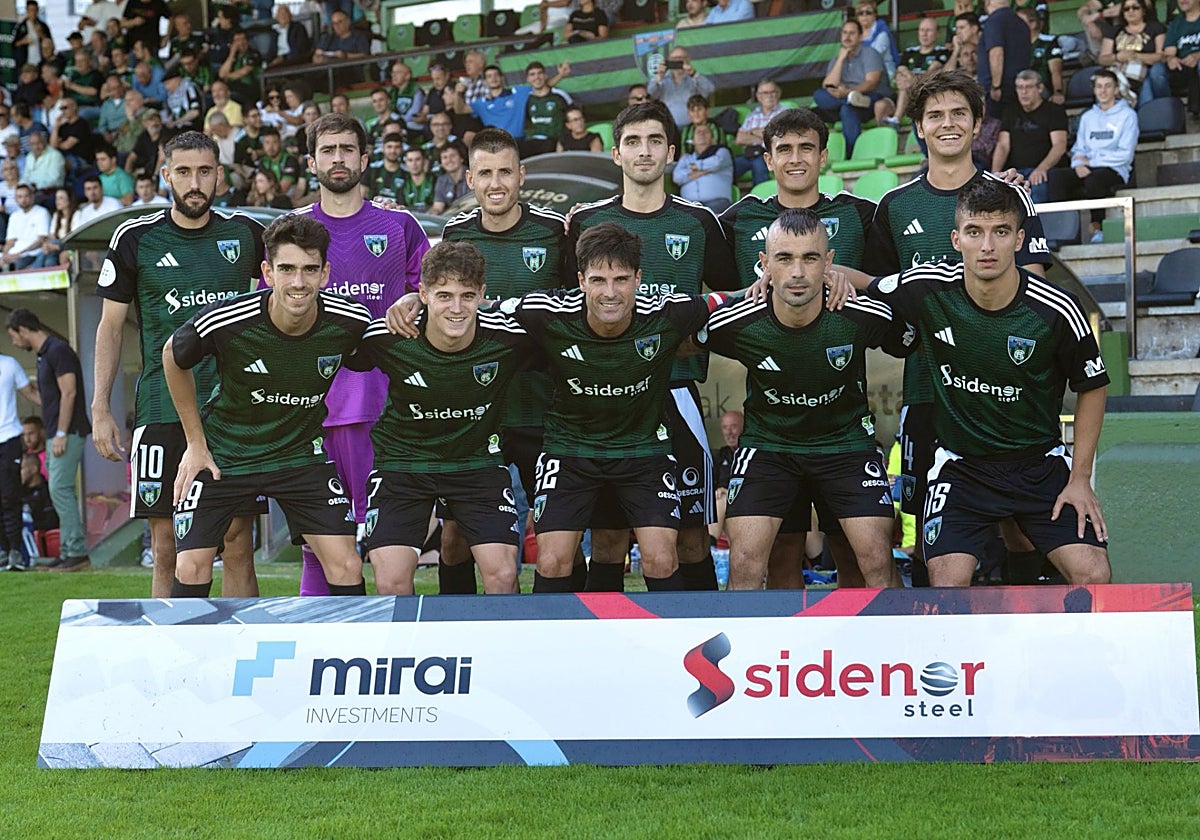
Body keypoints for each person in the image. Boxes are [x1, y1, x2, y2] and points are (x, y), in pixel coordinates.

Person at [858, 179, 1111, 587]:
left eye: (1001, 232)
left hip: (1040, 463)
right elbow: (864, 283)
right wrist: (816, 275)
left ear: (1020, 239)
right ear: (957, 239)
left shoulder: (1057, 308)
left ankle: (1027, 603)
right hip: (962, 468)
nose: (987, 246)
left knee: (1094, 576)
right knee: (947, 583)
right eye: (975, 232)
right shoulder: (928, 287)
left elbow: (1093, 387)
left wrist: (1080, 479)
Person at [864, 69, 1052, 586]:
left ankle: (1023, 622)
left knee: (1020, 525)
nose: (947, 124)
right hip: (928, 391)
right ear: (919, 128)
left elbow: (1038, 298)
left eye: (958, 114)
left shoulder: (1011, 198)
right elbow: (882, 296)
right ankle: (942, 648)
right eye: (935, 116)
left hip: (1006, 392)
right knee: (932, 528)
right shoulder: (895, 207)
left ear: (977, 125)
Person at [483, 223, 729, 592]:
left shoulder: (667, 311)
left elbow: (733, 300)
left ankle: (671, 646)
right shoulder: (545, 311)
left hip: (644, 450)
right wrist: (413, 302)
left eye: (621, 279)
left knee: (661, 558)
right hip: (570, 450)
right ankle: (547, 644)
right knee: (552, 560)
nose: (610, 292)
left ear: (638, 279)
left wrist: (777, 282)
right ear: (581, 280)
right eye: (598, 280)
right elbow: (475, 306)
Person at [568, 100, 739, 592]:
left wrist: (693, 339)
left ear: (671, 153)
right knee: (607, 538)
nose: (644, 152)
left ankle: (701, 639)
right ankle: (604, 651)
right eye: (633, 142)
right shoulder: (585, 222)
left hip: (676, 392)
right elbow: (567, 305)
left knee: (690, 535)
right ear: (617, 154)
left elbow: (731, 303)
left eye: (655, 141)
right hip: (602, 398)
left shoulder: (698, 222)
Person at [701, 208, 912, 590]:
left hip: (845, 444)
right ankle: (752, 651)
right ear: (764, 264)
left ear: (828, 263)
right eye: (784, 258)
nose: (797, 272)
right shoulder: (737, 319)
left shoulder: (863, 314)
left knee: (875, 562)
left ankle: (887, 649)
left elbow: (912, 334)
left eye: (810, 258)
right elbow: (677, 338)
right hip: (769, 445)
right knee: (746, 564)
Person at [92, 130, 265, 597]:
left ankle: (237, 660)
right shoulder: (136, 237)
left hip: (232, 412)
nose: (194, 182)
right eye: (183, 172)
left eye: (204, 171)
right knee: (166, 544)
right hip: (160, 408)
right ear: (165, 174)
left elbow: (302, 269)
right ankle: (169, 664)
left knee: (236, 541)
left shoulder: (247, 234)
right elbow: (110, 326)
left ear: (220, 176)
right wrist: (101, 409)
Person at [161, 214, 370, 597]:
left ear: (325, 273)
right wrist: (195, 444)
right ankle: (189, 656)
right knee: (190, 566)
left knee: (347, 563)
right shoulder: (228, 321)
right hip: (225, 454)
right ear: (267, 272)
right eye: (287, 269)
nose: (298, 282)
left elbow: (389, 343)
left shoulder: (350, 320)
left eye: (310, 270)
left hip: (299, 456)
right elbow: (172, 356)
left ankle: (347, 656)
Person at [719, 107, 878, 587]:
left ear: (824, 155)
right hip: (772, 424)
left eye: (806, 147)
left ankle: (860, 654)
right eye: (783, 149)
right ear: (767, 159)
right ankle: (786, 658)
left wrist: (842, 277)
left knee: (854, 550)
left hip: (844, 418)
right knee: (781, 549)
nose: (795, 158)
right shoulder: (738, 219)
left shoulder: (858, 214)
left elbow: (894, 286)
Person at [289, 111, 429, 597]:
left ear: (365, 158)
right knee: (321, 546)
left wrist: (414, 298)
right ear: (312, 162)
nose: (338, 158)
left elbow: (432, 293)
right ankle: (320, 654)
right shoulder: (294, 232)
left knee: (388, 549)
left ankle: (391, 656)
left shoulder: (398, 225)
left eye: (347, 149)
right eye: (328, 150)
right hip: (313, 409)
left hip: (387, 408)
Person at [350, 242, 534, 595]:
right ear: (423, 293)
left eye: (467, 295)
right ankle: (407, 650)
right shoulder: (390, 335)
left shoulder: (509, 337)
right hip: (403, 464)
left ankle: (500, 649)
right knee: (391, 582)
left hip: (476, 464)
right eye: (444, 295)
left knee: (504, 576)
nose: (456, 307)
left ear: (482, 294)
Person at [437, 127, 574, 594]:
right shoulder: (455, 235)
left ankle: (545, 631)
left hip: (544, 407)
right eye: (485, 173)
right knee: (455, 536)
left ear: (522, 175)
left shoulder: (555, 232)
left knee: (557, 540)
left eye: (505, 172)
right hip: (480, 409)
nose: (496, 183)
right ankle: (457, 631)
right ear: (470, 180)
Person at [6, 308, 91, 570]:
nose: (14, 343)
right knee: (59, 490)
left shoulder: (57, 350)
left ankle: (77, 552)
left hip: (68, 432)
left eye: (13, 336)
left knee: (60, 489)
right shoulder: (45, 355)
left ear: (22, 329)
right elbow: (51, 399)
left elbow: (69, 393)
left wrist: (62, 432)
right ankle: (68, 551)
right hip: (57, 432)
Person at [1070, 69, 1138, 244]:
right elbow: (1079, 148)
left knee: (1094, 180)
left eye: (1108, 86)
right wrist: (1078, 164)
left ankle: (1098, 229)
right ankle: (1058, 234)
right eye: (1099, 86)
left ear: (1116, 89)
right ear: (1094, 89)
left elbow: (1125, 155)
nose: (1103, 90)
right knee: (1056, 179)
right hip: (1086, 167)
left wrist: (1091, 161)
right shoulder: (1088, 117)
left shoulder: (1128, 116)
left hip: (1115, 170)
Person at [812, 18, 893, 157]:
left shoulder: (870, 53)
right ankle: (850, 99)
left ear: (860, 36)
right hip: (846, 100)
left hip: (869, 98)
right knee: (819, 95)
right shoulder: (837, 58)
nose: (847, 37)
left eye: (852, 33)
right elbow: (828, 85)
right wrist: (841, 59)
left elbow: (871, 82)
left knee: (847, 110)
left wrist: (848, 92)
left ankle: (851, 154)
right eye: (844, 33)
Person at [992, 70, 1068, 204]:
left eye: (1028, 87)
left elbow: (1059, 146)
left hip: (1045, 170)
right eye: (1020, 88)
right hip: (1016, 171)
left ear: (1040, 88)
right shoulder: (1010, 111)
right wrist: (994, 174)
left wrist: (1041, 169)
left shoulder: (1054, 111)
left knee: (1038, 188)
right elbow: (1003, 146)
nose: (1023, 92)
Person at [0, 348, 40, 570]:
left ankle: (15, 551)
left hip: (9, 439)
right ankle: (4, 550)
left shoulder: (9, 364)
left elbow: (32, 394)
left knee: (9, 496)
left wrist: (59, 403)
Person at [1100, 0, 1169, 106]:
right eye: (1126, 9)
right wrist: (1117, 57)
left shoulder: (1156, 28)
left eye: (1135, 7)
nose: (1130, 11)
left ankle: (1162, 108)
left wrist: (1136, 56)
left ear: (1144, 10)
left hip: (1146, 71)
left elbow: (1162, 56)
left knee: (1147, 96)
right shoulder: (1113, 31)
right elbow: (1102, 59)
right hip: (1120, 72)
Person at [893, 16, 950, 126]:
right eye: (922, 30)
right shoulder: (909, 52)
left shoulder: (943, 52)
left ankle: (896, 118)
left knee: (906, 82)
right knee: (903, 81)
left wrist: (912, 79)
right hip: (909, 91)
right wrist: (910, 78)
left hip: (929, 91)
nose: (924, 34)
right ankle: (896, 119)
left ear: (937, 34)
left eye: (928, 30)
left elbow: (932, 72)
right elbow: (900, 69)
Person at [979, 0, 1032, 118]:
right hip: (1017, 88)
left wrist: (996, 86)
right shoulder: (1021, 23)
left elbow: (996, 53)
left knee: (997, 132)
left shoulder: (994, 21)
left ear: (987, 3)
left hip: (998, 92)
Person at [734, 79, 787, 185]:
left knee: (759, 164)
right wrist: (763, 135)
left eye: (773, 92)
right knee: (728, 167)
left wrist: (751, 132)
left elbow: (779, 137)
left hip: (772, 155)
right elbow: (739, 139)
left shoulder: (785, 113)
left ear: (778, 94)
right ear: (758, 96)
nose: (769, 95)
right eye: (765, 93)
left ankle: (761, 199)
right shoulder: (752, 115)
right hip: (749, 154)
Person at [648, 46, 715, 129]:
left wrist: (693, 73)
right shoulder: (662, 80)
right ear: (668, 60)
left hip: (692, 128)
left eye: (681, 57)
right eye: (674, 58)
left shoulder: (694, 79)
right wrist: (659, 76)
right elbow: (650, 93)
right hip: (669, 127)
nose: (677, 60)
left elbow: (710, 89)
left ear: (688, 60)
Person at [672, 122, 734, 212]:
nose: (702, 134)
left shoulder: (722, 152)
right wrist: (706, 170)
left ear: (713, 140)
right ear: (692, 141)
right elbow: (677, 178)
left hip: (717, 203)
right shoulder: (686, 158)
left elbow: (717, 162)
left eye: (706, 132)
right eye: (698, 132)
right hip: (690, 205)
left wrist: (693, 168)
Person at [519, 61, 572, 159]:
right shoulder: (526, 98)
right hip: (535, 142)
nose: (537, 77)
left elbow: (574, 115)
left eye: (540, 73)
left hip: (556, 141)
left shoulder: (559, 95)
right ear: (527, 79)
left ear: (545, 76)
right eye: (532, 74)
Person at [1020, 7, 1066, 105]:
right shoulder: (1014, 44)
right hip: (1020, 89)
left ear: (1032, 23)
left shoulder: (1049, 41)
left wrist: (1057, 92)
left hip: (1041, 89)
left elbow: (1056, 71)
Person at [709, 409, 742, 543]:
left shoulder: (754, 454)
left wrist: (729, 492)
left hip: (747, 503)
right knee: (720, 497)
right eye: (725, 428)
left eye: (733, 427)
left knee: (723, 497)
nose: (729, 433)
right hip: (726, 509)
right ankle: (710, 545)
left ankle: (710, 543)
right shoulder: (721, 455)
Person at [2, 184, 51, 269]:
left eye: (26, 196)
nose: (23, 200)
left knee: (16, 263)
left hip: (32, 253)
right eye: (20, 197)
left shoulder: (42, 212)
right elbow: (10, 241)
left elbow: (41, 240)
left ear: (32, 197)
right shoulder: (14, 216)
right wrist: (5, 255)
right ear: (16, 199)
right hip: (15, 252)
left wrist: (21, 253)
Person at [1165, 0, 1200, 116]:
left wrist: (1197, 55)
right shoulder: (1176, 23)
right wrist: (1171, 59)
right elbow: (1169, 51)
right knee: (1158, 72)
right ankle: (1167, 115)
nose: (1182, 1)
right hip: (1184, 67)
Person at [218, 28, 263, 108]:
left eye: (243, 39)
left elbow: (243, 72)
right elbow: (221, 73)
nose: (241, 42)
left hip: (248, 87)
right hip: (232, 87)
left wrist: (226, 76)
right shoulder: (232, 57)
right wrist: (232, 54)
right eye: (237, 40)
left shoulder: (253, 54)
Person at [856, 1, 901, 80]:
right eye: (861, 13)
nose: (864, 15)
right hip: (862, 73)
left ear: (875, 15)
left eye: (868, 12)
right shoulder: (855, 33)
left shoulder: (882, 33)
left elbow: (873, 58)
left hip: (885, 73)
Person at [387, 60, 426, 141]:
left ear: (407, 76)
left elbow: (414, 113)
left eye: (397, 72)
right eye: (392, 72)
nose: (394, 75)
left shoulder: (416, 90)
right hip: (397, 125)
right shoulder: (392, 92)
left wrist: (399, 122)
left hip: (412, 126)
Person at [361, 131, 405, 201]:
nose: (393, 151)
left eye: (397, 147)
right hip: (373, 210)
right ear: (383, 148)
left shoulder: (406, 172)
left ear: (402, 149)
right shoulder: (372, 169)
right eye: (389, 147)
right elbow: (361, 195)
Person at [42, 186, 78, 266]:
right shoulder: (56, 215)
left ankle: (34, 269)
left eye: (61, 198)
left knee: (54, 251)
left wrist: (56, 246)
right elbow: (51, 235)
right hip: (56, 245)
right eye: (56, 198)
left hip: (70, 246)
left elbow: (74, 237)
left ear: (69, 200)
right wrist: (47, 245)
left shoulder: (77, 214)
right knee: (47, 255)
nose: (57, 201)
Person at [430, 141, 469, 214]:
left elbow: (470, 205)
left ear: (461, 158)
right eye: (445, 157)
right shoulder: (441, 180)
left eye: (453, 156)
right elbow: (438, 207)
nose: (449, 160)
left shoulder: (472, 176)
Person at [400, 147, 434, 212]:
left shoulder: (434, 181)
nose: (414, 164)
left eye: (417, 159)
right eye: (410, 160)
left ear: (424, 161)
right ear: (406, 162)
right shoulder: (403, 183)